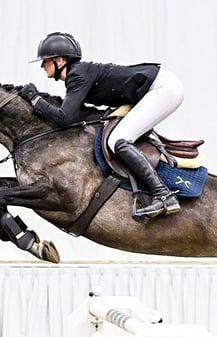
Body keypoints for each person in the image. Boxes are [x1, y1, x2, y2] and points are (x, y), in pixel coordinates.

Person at [19, 32, 184, 219]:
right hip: (161, 87)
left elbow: (63, 118)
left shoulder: (77, 75)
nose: (42, 65)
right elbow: (74, 116)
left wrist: (35, 99)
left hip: (163, 89)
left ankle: (162, 194)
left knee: (118, 140)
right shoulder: (79, 74)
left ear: (60, 60)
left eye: (45, 60)